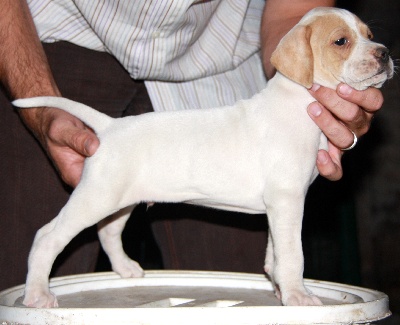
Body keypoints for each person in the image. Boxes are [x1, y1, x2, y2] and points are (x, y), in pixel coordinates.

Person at [0, 0, 384, 292]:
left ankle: (116, 249)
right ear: (302, 56)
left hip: (212, 62)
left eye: (365, 37)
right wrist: (43, 104)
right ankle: (39, 265)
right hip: (60, 38)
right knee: (88, 204)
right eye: (342, 42)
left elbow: (297, 12)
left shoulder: (287, 119)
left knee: (230, 285)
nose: (373, 49)